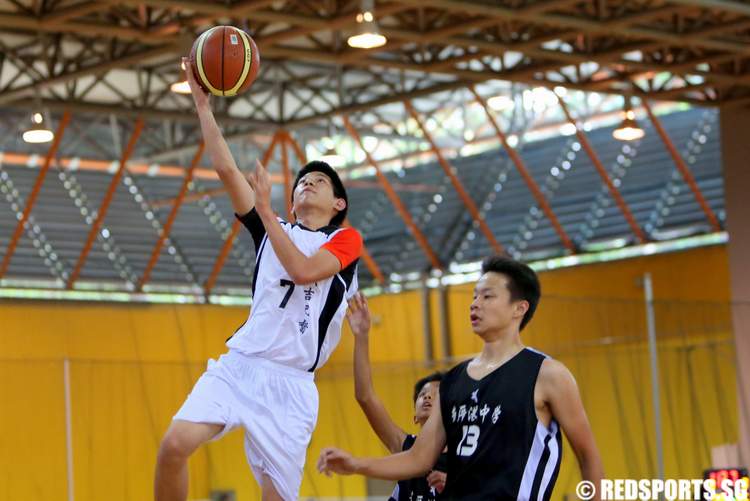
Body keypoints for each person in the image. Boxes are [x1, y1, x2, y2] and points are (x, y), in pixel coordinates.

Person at [155, 57, 362, 501]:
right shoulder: (273, 230)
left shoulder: (347, 241)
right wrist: (202, 104)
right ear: (290, 204)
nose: (307, 184)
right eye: (301, 181)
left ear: (339, 204)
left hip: (291, 386)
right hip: (241, 365)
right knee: (174, 446)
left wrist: (266, 210)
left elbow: (304, 271)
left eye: (319, 181)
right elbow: (228, 171)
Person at [318, 255, 604, 500]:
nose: (475, 304)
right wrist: (357, 464)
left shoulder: (548, 374)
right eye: (474, 296)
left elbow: (588, 457)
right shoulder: (455, 379)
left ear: (520, 308)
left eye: (487, 296)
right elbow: (418, 457)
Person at [346, 292, 447, 499]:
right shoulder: (406, 446)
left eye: (436, 394)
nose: (427, 398)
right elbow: (365, 395)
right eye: (423, 395)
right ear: (415, 417)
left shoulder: (468, 454)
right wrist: (362, 336)